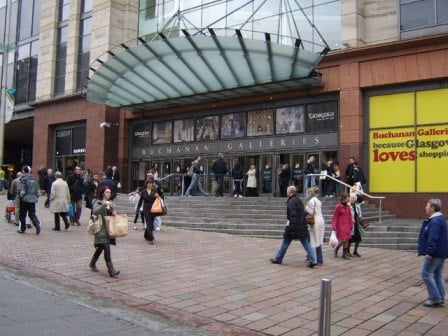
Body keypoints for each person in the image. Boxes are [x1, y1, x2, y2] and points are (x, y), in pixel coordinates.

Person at [270, 186, 317, 268]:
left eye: (287, 191)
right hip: (302, 226)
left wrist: (291, 227)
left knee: (286, 242)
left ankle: (278, 258)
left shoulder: (291, 201)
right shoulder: (298, 200)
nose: (286, 192)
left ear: (290, 192)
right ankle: (313, 260)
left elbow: (293, 216)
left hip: (294, 226)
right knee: (305, 243)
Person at [418, 198, 448, 307]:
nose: (426, 207)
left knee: (426, 273)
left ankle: (435, 297)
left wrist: (430, 252)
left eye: (427, 205)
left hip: (435, 253)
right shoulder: (440, 219)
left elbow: (433, 238)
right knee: (438, 274)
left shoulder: (435, 221)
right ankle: (440, 297)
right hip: (441, 252)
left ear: (432, 208)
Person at [89, 186, 120, 277]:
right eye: (107, 192)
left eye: (110, 192)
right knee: (106, 247)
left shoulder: (110, 203)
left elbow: (112, 213)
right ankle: (111, 270)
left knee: (100, 248)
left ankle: (92, 263)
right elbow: (95, 211)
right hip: (100, 228)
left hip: (108, 228)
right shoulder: (98, 202)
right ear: (103, 193)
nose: (109, 194)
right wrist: (104, 205)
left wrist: (114, 212)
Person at [139, 176, 164, 244]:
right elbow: (140, 201)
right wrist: (138, 209)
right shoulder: (143, 191)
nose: (149, 185)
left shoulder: (154, 190)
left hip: (153, 209)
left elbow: (161, 193)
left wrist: (157, 195)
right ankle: (151, 238)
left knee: (151, 223)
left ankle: (146, 235)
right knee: (149, 223)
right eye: (148, 183)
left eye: (151, 183)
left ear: (152, 184)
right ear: (146, 184)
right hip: (146, 209)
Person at [16, 165, 41, 235]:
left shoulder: (23, 179)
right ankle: (36, 224)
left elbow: (21, 190)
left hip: (24, 199)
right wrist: (36, 196)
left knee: (23, 215)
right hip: (33, 199)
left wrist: (20, 196)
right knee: (32, 214)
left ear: (23, 171)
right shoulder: (34, 178)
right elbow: (38, 190)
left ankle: (22, 228)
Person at [306, 186, 325, 265]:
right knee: (317, 239)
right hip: (321, 221)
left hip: (315, 222)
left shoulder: (311, 201)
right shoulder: (318, 201)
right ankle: (309, 256)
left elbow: (310, 212)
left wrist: (306, 207)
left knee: (315, 240)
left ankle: (319, 259)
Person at [331, 193, 353, 259]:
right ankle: (336, 249)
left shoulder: (348, 207)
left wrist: (351, 224)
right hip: (340, 226)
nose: (349, 199)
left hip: (347, 225)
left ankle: (344, 254)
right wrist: (333, 226)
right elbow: (335, 217)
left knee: (346, 240)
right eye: (348, 197)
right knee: (343, 240)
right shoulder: (338, 206)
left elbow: (350, 216)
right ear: (344, 198)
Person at [347, 193, 363, 257]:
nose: (352, 199)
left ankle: (355, 251)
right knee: (350, 239)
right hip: (349, 224)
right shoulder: (348, 205)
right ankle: (348, 251)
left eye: (353, 198)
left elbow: (359, 214)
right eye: (351, 198)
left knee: (358, 238)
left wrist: (361, 221)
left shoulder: (357, 205)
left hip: (356, 223)